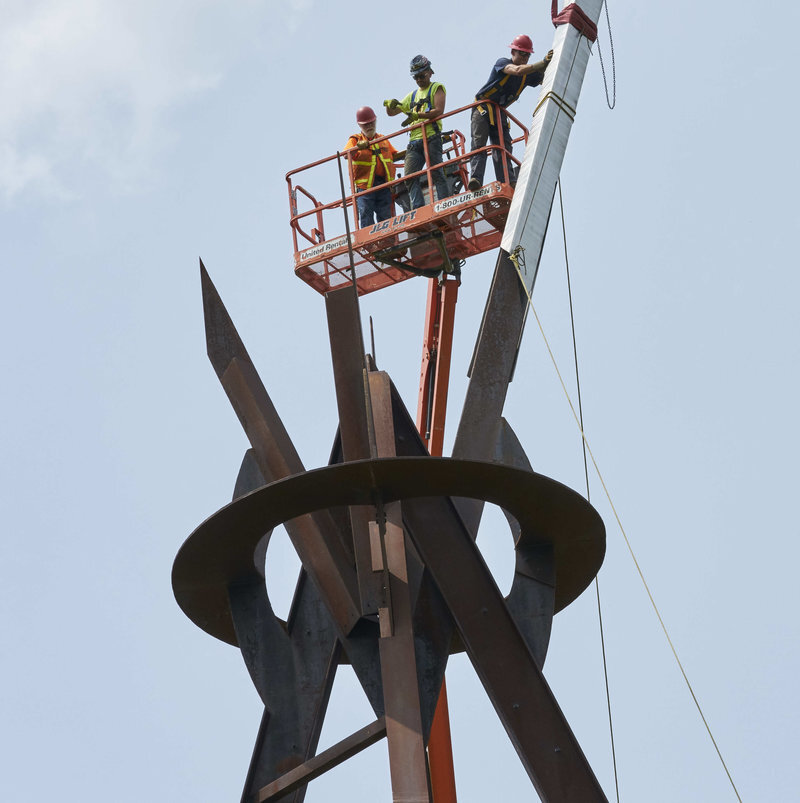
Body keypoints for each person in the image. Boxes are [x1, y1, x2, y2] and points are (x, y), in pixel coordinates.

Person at [467, 35, 553, 191]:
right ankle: (475, 178)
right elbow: (517, 70)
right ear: (513, 52)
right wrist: (543, 62)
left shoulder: (528, 75)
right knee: (479, 144)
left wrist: (550, 64)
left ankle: (507, 180)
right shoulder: (502, 64)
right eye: (522, 53)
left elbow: (545, 77)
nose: (525, 57)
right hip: (483, 108)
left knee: (503, 146)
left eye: (527, 55)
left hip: (499, 111)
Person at [384, 55, 450, 209]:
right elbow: (392, 112)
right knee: (410, 176)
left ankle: (444, 203)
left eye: (421, 75)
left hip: (432, 138)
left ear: (429, 72)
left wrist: (418, 115)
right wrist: (389, 104)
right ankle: (418, 207)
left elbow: (439, 110)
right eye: (416, 77)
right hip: (414, 141)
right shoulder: (412, 96)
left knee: (436, 172)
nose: (419, 79)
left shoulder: (436, 88)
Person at [342, 106, 400, 228]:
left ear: (375, 121)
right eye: (366, 124)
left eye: (371, 123)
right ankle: (370, 242)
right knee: (365, 212)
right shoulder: (355, 139)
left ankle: (387, 239)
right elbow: (346, 155)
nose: (369, 126)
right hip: (365, 187)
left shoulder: (383, 140)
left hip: (383, 184)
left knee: (385, 213)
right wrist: (358, 147)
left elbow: (395, 155)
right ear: (360, 125)